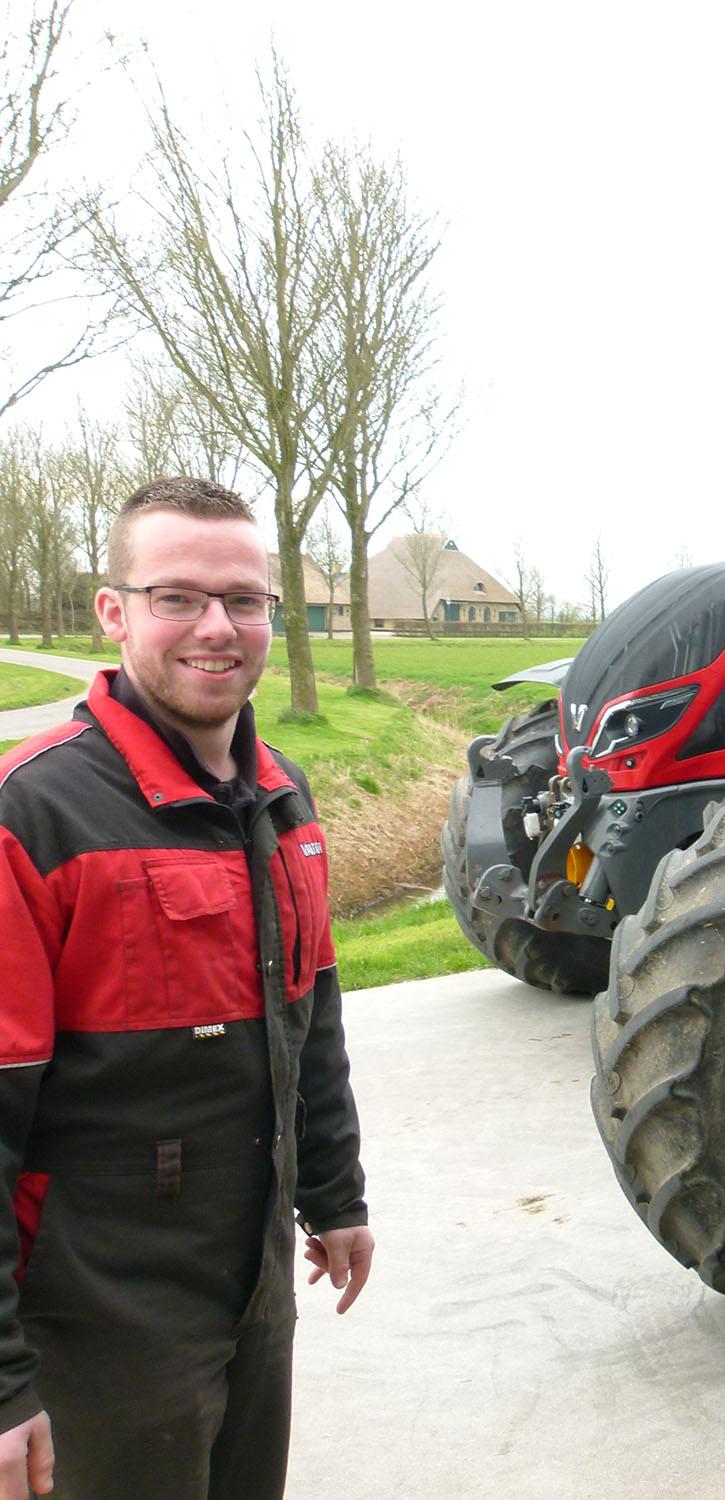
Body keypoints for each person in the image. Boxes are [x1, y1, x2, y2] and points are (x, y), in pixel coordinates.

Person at [0, 478, 373, 1499]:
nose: (217, 628)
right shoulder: (33, 817)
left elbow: (311, 1022)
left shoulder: (283, 797)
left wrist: (334, 1193)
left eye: (244, 600)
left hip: (252, 1283)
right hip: (97, 1319)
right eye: (177, 597)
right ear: (114, 613)